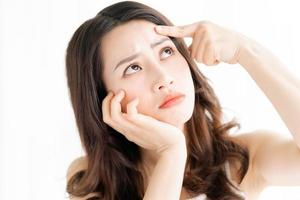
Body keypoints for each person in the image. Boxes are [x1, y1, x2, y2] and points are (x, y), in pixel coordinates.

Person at [65, 1, 300, 200]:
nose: (163, 78)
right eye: (133, 67)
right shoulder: (91, 180)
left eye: (166, 52)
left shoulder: (244, 160)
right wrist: (172, 153)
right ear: (103, 97)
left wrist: (245, 51)